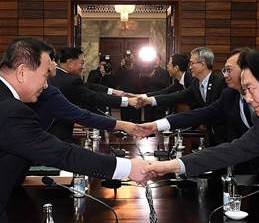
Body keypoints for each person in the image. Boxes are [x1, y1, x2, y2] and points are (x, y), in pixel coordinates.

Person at [0, 38, 148, 223]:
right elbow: (63, 154)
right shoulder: (11, 110)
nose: (46, 85)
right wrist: (127, 167)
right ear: (22, 72)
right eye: (45, 76)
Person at [145, 49, 259, 195]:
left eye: (251, 89)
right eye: (245, 91)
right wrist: (168, 166)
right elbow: (230, 151)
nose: (247, 98)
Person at [140, 47, 259, 174]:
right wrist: (156, 125)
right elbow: (202, 113)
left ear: (246, 71)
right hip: (238, 154)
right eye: (224, 70)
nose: (224, 75)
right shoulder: (229, 94)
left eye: (229, 70)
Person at [30, 48, 144, 136]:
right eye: (81, 63)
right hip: (55, 133)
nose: (83, 67)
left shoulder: (63, 77)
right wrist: (126, 103)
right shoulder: (68, 81)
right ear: (70, 63)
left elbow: (88, 86)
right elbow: (93, 98)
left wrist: (113, 91)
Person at [140, 47, 227, 146]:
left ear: (202, 65)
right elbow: (175, 97)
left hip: (225, 136)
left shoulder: (220, 83)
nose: (189, 67)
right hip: (211, 135)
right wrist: (149, 100)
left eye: (192, 63)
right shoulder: (195, 83)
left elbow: (212, 111)